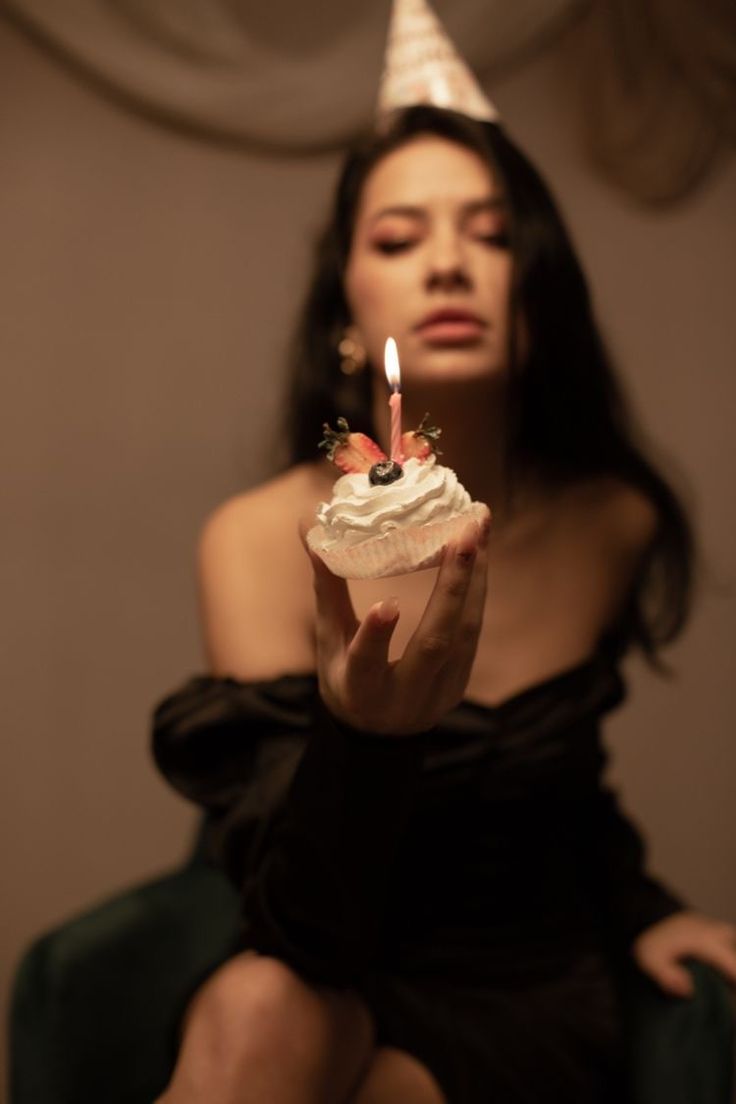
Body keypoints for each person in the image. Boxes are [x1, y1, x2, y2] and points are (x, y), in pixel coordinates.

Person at [151, 12, 736, 1102]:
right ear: (347, 307)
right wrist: (366, 734)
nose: (449, 263)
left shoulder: (610, 521)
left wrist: (646, 910)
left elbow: (563, 785)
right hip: (332, 953)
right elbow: (297, 925)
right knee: (252, 1006)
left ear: (537, 289)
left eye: (490, 232)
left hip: (524, 989)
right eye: (398, 238)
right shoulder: (256, 542)